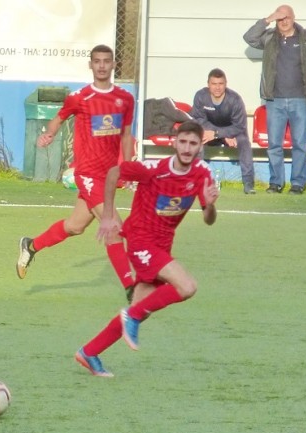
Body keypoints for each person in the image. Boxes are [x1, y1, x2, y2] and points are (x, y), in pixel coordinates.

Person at [75, 121, 219, 377]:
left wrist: (209, 206)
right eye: (183, 142)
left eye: (193, 143)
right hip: (141, 240)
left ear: (200, 146)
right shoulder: (153, 169)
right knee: (187, 286)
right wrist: (107, 216)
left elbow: (209, 221)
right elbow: (113, 173)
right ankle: (131, 317)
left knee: (140, 308)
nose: (187, 148)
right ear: (174, 143)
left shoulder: (202, 173)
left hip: (163, 245)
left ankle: (90, 351)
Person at [16, 44, 136, 301]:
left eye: (106, 61)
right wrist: (49, 134)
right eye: (97, 61)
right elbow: (59, 118)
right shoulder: (80, 97)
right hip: (88, 174)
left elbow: (126, 135)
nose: (102, 65)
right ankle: (131, 287)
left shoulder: (125, 99)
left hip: (109, 176)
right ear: (90, 65)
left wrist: (127, 167)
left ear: (113, 64)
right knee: (114, 226)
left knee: (75, 226)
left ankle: (31, 245)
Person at [243, 4, 306, 195]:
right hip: (275, 100)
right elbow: (249, 37)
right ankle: (276, 183)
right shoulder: (270, 37)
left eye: (286, 17)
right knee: (274, 145)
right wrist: (268, 19)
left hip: (300, 100)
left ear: (293, 18)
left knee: (299, 144)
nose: (283, 21)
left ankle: (298, 184)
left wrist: (305, 83)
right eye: (280, 18)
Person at [191, 68, 256, 194]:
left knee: (244, 141)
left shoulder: (235, 99)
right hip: (210, 132)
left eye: (221, 84)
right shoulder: (200, 96)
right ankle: (196, 181)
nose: (217, 87)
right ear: (208, 84)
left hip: (231, 134)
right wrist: (218, 134)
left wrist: (220, 134)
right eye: (214, 84)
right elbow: (198, 119)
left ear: (226, 84)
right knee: (197, 139)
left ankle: (248, 183)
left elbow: (240, 126)